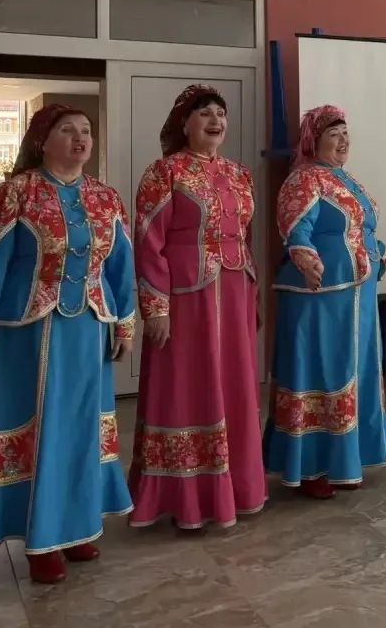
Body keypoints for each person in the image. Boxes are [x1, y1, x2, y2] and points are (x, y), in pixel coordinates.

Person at [0, 105, 136, 584]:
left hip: (88, 332)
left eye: (86, 131)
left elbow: (120, 265)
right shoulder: (16, 194)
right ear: (43, 139)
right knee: (39, 431)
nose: (80, 138)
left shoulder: (105, 198)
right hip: (26, 336)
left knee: (82, 430)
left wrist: (125, 322)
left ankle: (77, 526)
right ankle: (40, 537)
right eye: (67, 130)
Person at [127, 85, 266, 529]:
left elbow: (245, 238)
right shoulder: (164, 172)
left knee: (235, 385)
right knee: (186, 387)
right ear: (183, 123)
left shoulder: (240, 174)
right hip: (186, 300)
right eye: (204, 113)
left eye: (221, 113)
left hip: (235, 291)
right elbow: (148, 242)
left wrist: (254, 294)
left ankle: (236, 489)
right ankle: (183, 495)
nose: (215, 120)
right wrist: (156, 307)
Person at [263, 106, 386, 496]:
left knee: (355, 373)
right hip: (320, 297)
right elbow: (294, 228)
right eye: (334, 134)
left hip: (356, 297)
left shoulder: (345, 179)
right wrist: (305, 257)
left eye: (346, 133)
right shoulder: (303, 179)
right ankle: (312, 468)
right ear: (313, 140)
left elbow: (361, 232)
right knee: (323, 373)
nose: (344, 140)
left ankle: (345, 460)